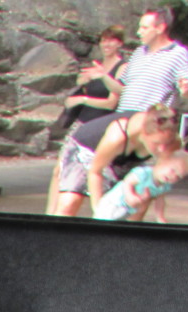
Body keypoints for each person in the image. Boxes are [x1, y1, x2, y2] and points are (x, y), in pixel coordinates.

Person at [46, 26, 128, 213]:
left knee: (96, 172)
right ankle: (50, 214)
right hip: (81, 122)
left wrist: (83, 99)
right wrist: (82, 82)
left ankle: (103, 213)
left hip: (100, 127)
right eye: (104, 40)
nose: (106, 44)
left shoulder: (122, 68)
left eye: (112, 40)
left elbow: (111, 103)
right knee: (59, 169)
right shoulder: (97, 64)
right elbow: (82, 85)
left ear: (120, 43)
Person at [52, 103, 182, 217]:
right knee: (70, 202)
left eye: (166, 143)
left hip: (128, 158)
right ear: (143, 134)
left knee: (135, 201)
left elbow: (155, 181)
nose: (161, 149)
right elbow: (95, 172)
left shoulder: (172, 142)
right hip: (88, 148)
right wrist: (100, 211)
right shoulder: (117, 136)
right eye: (157, 143)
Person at [83, 8, 188, 114]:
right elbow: (121, 89)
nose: (138, 32)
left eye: (144, 28)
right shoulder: (139, 52)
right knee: (87, 129)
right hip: (123, 115)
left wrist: (187, 89)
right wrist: (103, 76)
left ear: (160, 28)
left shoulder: (178, 53)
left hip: (147, 118)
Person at [94, 148, 188, 220]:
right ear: (162, 162)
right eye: (172, 170)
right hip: (115, 202)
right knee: (103, 221)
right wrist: (130, 195)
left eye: (178, 176)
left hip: (129, 209)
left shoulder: (164, 186)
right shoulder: (144, 173)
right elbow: (127, 182)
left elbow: (160, 201)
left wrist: (160, 217)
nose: (172, 176)